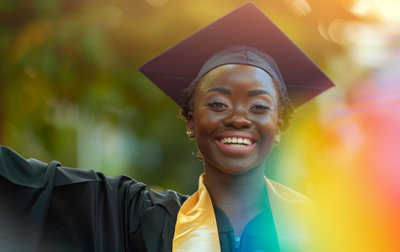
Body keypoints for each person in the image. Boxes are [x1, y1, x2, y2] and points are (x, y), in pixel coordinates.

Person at [0, 3, 333, 251]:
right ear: (190, 120)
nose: (238, 117)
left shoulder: (325, 230)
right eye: (218, 103)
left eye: (259, 106)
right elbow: (26, 184)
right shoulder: (137, 218)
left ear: (278, 126)